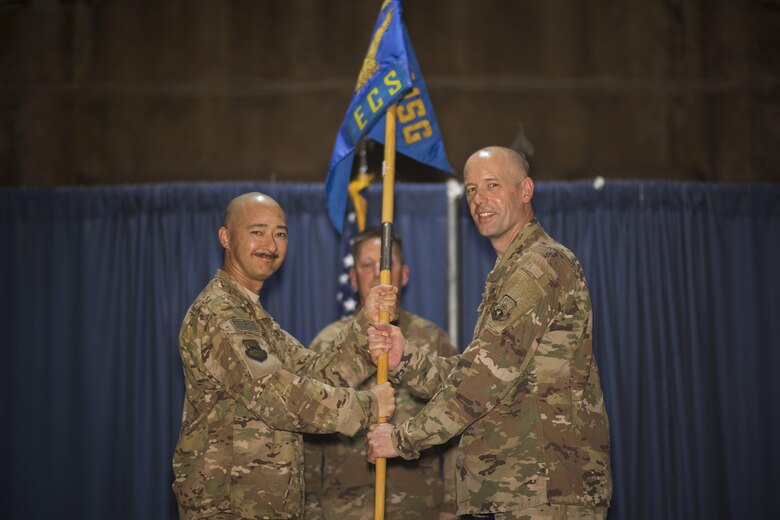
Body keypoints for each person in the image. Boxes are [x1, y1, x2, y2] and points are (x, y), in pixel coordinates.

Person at [366, 146, 613, 520]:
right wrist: (407, 360)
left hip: (549, 489)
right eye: (470, 189)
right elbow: (484, 374)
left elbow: (481, 382)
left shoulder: (539, 266)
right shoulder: (510, 271)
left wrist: (402, 440)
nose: (479, 199)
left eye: (492, 185)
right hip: (525, 489)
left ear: (525, 190)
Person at [172, 192, 402, 520]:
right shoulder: (220, 313)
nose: (271, 244)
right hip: (228, 507)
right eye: (257, 231)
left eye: (280, 233)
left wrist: (366, 327)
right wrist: (367, 406)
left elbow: (313, 374)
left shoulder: (252, 315)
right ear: (225, 237)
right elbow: (277, 397)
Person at [304, 227, 459, 520]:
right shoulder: (328, 343)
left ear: (404, 275)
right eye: (366, 265)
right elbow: (310, 437)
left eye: (387, 265)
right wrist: (311, 511)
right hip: (342, 510)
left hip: (418, 508)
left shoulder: (433, 340)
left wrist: (452, 510)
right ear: (352, 278)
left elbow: (456, 427)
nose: (379, 274)